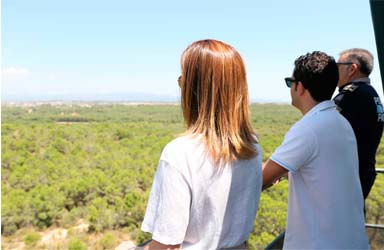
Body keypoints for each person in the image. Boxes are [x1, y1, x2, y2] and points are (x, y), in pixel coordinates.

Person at [140, 39, 263, 250]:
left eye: (183, 80)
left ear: (194, 89)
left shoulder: (180, 154)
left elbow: (167, 246)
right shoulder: (252, 148)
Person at [262, 51, 369, 249]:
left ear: (299, 87)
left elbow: (260, 179)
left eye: (290, 82)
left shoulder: (308, 128)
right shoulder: (340, 122)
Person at [334, 48, 384, 200]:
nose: (334, 72)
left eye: (338, 67)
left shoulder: (351, 96)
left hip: (349, 176)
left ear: (352, 68)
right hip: (364, 172)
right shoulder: (370, 93)